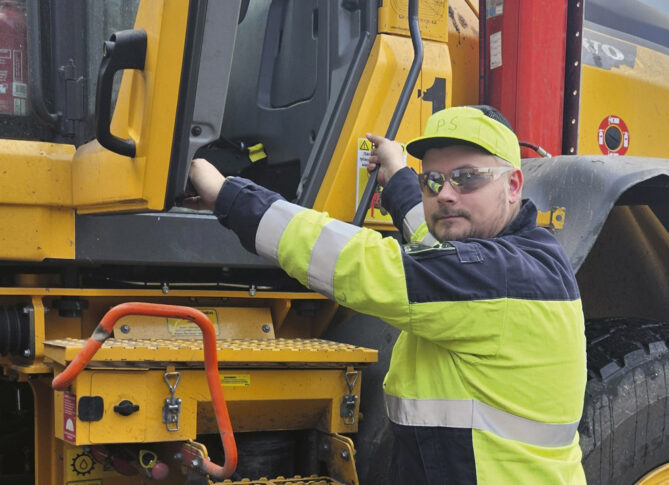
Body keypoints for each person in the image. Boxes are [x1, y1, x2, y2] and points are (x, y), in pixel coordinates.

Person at [186, 105, 587, 484]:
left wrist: (230, 196)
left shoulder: (501, 277)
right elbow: (433, 243)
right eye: (432, 180)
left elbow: (366, 265)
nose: (445, 194)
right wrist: (398, 177)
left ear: (513, 184)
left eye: (467, 177)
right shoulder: (524, 256)